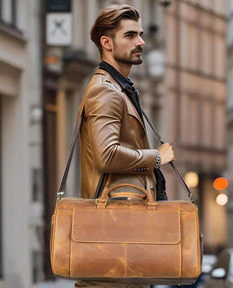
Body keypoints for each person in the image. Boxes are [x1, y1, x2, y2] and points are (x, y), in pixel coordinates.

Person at [75, 4, 175, 288]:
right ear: (106, 43)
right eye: (130, 35)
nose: (141, 42)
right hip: (113, 239)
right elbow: (106, 155)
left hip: (125, 238)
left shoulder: (121, 88)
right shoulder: (105, 91)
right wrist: (156, 156)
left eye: (140, 34)